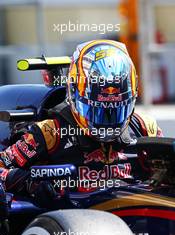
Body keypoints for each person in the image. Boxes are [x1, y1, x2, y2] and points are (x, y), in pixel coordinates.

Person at [0, 40, 162, 206]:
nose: (106, 122)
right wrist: (30, 184)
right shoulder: (50, 132)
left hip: (138, 222)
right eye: (97, 109)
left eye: (115, 110)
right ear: (75, 95)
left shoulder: (145, 127)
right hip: (71, 225)